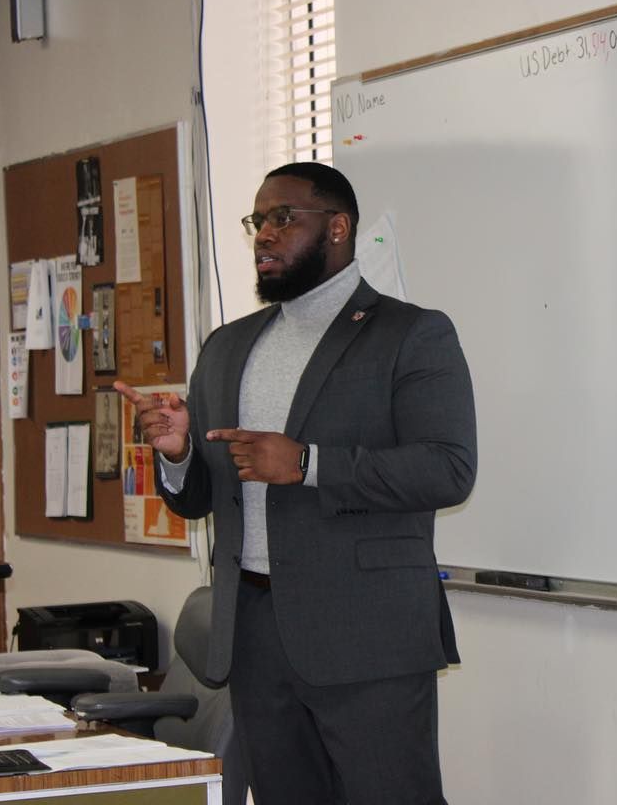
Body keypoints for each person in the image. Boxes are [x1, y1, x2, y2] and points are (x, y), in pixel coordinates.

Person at [114, 161, 477, 803]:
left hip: (368, 635)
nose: (264, 234)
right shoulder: (226, 348)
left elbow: (448, 468)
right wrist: (177, 453)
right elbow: (203, 498)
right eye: (258, 221)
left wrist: (308, 464)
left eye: (284, 218)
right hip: (255, 632)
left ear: (337, 228)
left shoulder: (411, 334)